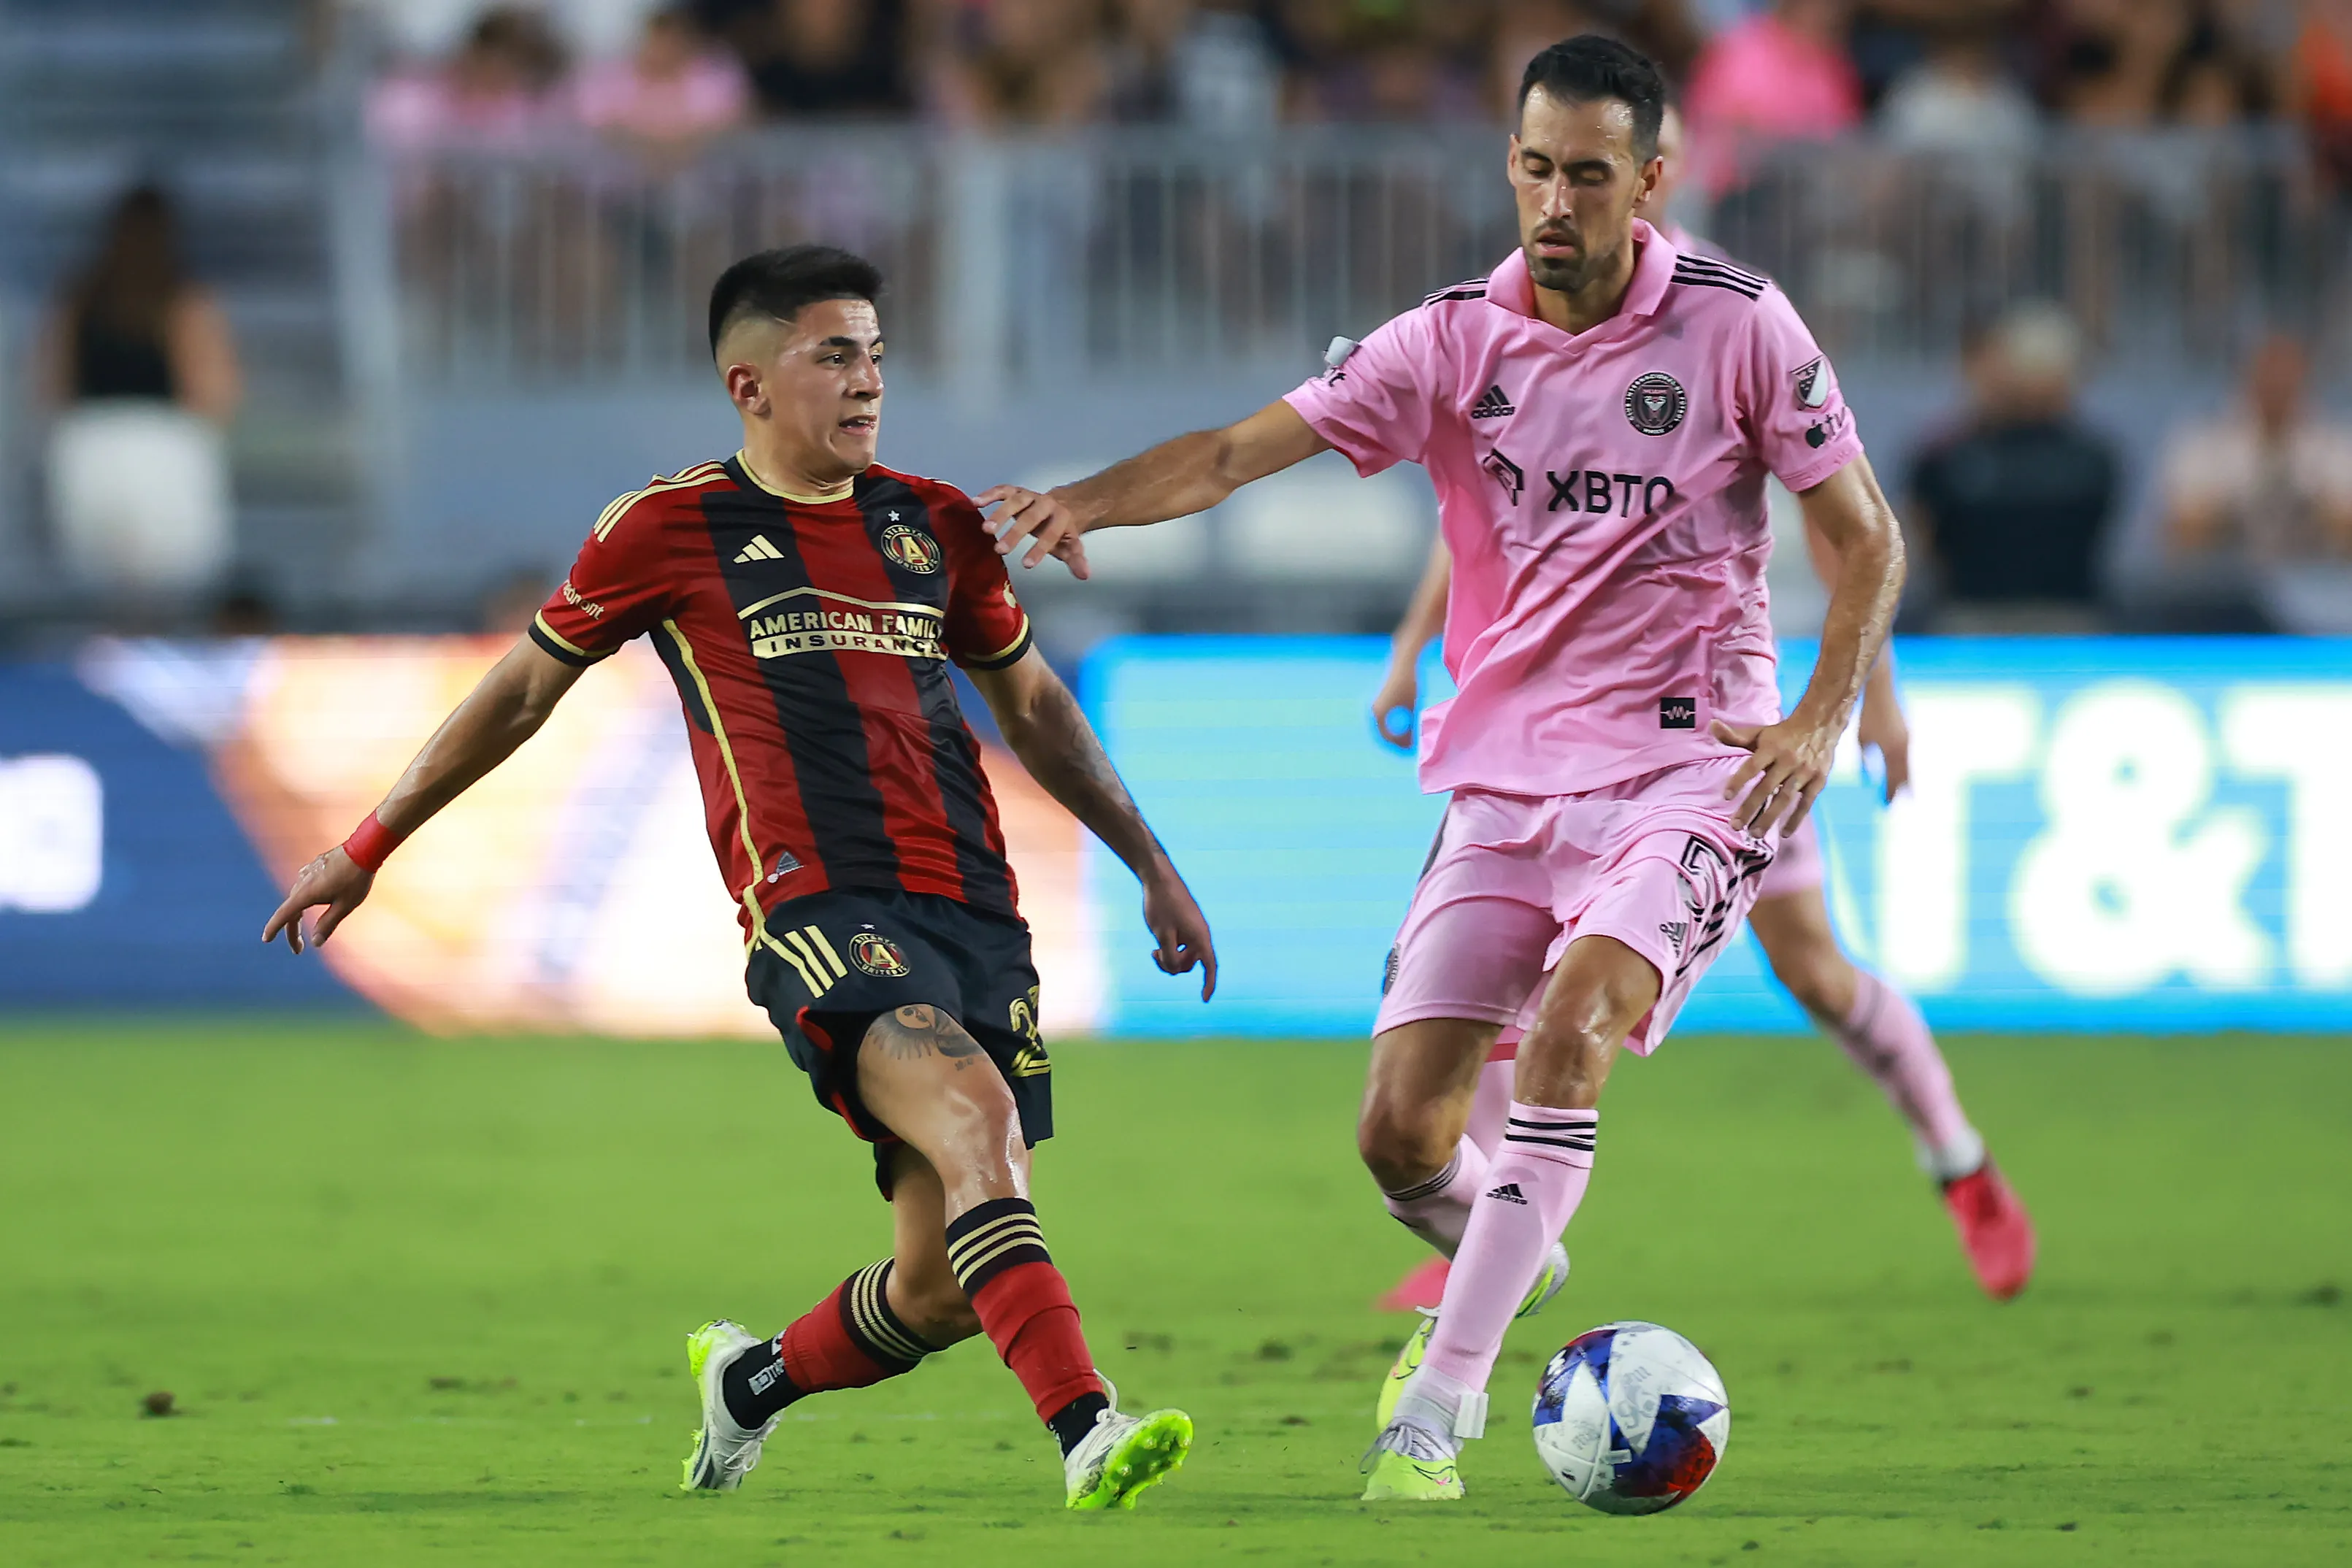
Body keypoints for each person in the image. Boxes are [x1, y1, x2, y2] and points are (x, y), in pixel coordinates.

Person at [985, 36, 1907, 1501]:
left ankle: (1440, 1411)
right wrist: (1076, 502)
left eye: (1590, 174)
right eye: (1535, 167)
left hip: (1686, 769)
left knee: (1573, 1031)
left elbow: (1866, 536)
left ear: (1653, 181)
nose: (1555, 200)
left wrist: (1819, 714)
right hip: (1502, 782)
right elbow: (1232, 454)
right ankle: (1510, 1248)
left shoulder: (1742, 327)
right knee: (1399, 1134)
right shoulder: (1447, 342)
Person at [261, 245, 1213, 1512]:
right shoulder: (664, 528)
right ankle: (1089, 1429)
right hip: (820, 909)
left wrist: (1146, 858)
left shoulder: (934, 526)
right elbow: (523, 690)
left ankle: (750, 1385)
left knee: (936, 1284)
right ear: (748, 383)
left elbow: (1032, 705)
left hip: (977, 909)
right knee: (976, 1117)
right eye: (834, 354)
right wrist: (368, 842)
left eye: (875, 352)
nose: (867, 380)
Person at [39, 184, 242, 602]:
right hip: (162, 451)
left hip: (92, 448)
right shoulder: (183, 302)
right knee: (170, 590)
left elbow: (51, 385)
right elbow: (214, 394)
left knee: (104, 593)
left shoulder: (82, 298)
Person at [1907, 302, 2118, 631]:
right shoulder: (1945, 457)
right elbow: (1921, 540)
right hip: (1971, 618)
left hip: (2068, 620)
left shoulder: (2091, 458)